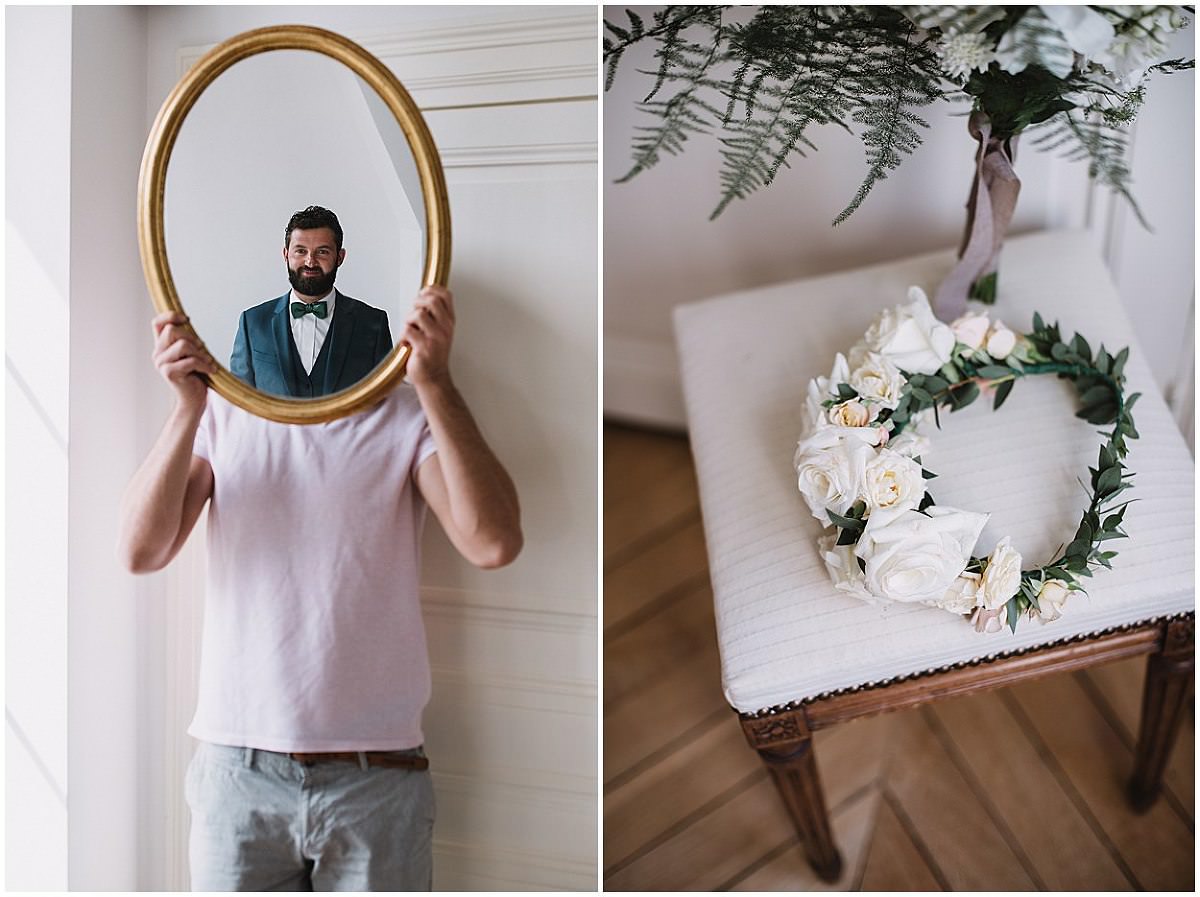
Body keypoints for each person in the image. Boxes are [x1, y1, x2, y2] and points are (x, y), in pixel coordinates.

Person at [119, 283, 521, 891]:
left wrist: (436, 382)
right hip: (238, 776)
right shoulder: (220, 416)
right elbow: (141, 551)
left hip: (377, 779)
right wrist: (184, 410)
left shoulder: (406, 414)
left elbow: (492, 541)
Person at [230, 206, 393, 398]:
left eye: (322, 252)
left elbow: (388, 401)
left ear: (340, 257)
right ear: (286, 254)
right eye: (300, 251)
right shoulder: (253, 322)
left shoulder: (373, 322)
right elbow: (238, 404)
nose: (310, 262)